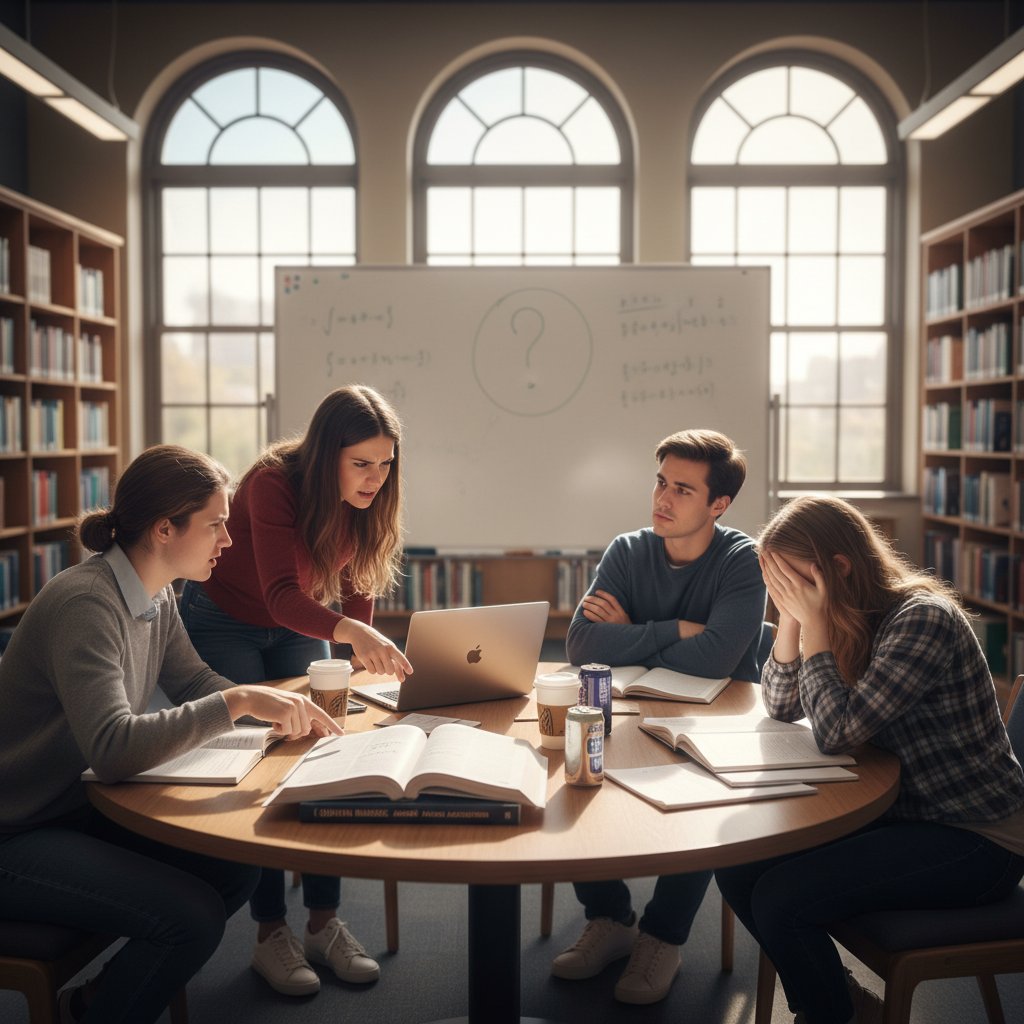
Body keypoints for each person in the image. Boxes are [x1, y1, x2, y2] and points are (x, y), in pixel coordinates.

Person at [0, 444, 341, 1024]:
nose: (228, 542)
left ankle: (93, 1003)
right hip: (17, 831)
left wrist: (278, 709)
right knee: (191, 919)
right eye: (215, 525)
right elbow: (112, 749)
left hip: (74, 808)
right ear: (164, 529)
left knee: (235, 867)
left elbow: (191, 680)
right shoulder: (87, 603)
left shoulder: (155, 590)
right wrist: (237, 701)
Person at [716, 495, 1024, 1024]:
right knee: (737, 866)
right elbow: (782, 703)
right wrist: (791, 620)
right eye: (779, 584)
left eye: (795, 581)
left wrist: (811, 626)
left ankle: (832, 1011)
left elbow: (835, 733)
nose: (787, 593)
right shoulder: (841, 612)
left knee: (782, 901)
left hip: (976, 838)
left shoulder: (922, 619)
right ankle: (840, 1001)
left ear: (839, 567)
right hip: (899, 814)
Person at [180, 383, 413, 998]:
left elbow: (357, 581)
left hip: (297, 622)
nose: (375, 477)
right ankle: (270, 933)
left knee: (322, 753)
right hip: (226, 616)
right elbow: (284, 594)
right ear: (326, 453)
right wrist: (350, 631)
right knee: (258, 762)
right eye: (361, 463)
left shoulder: (367, 496)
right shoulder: (272, 481)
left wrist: (359, 668)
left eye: (385, 464)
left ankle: (323, 922)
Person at [553, 428, 767, 1005]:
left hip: (717, 725)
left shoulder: (743, 560)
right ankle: (610, 919)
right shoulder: (628, 550)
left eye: (682, 490)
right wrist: (673, 631)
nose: (662, 500)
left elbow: (719, 659)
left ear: (718, 505)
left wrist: (625, 635)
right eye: (660, 482)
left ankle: (662, 936)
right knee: (575, 773)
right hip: (628, 714)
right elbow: (579, 644)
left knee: (698, 802)